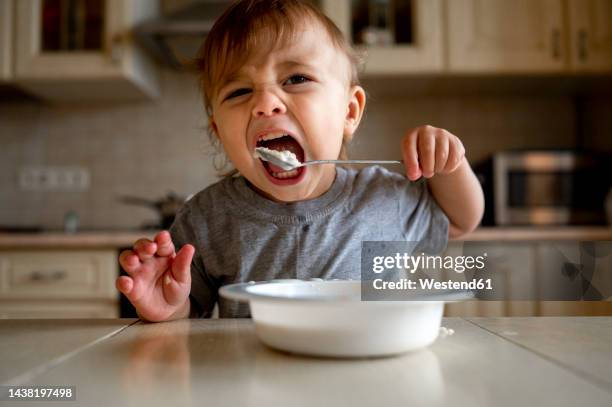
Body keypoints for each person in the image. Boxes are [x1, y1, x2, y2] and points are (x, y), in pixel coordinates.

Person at [116, 0, 484, 321]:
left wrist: (451, 165)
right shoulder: (205, 219)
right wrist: (168, 306)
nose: (265, 103)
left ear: (349, 112)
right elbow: (189, 308)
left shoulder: (384, 196)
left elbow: (461, 221)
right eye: (240, 91)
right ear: (218, 131)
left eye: (295, 78)